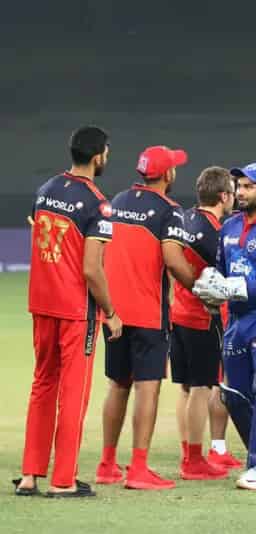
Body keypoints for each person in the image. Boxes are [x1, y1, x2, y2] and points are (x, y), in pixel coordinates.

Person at [15, 126, 121, 498]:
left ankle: (30, 475)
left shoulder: (45, 190)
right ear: (98, 156)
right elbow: (92, 269)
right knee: (74, 392)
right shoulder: (97, 203)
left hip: (41, 303)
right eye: (106, 152)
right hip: (76, 310)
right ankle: (63, 480)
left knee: (43, 384)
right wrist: (111, 310)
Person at [96, 145, 197, 490]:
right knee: (147, 386)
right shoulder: (170, 211)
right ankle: (138, 469)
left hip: (114, 311)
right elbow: (174, 260)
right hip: (149, 313)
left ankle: (106, 464)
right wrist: (199, 288)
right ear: (167, 174)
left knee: (117, 384)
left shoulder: (118, 200)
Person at [193, 161, 256, 490]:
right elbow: (220, 271)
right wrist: (210, 289)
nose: (241, 192)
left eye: (249, 186)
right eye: (239, 186)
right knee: (233, 394)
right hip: (237, 319)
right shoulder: (229, 228)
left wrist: (234, 288)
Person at [170, 167, 235, 480]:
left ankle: (188, 452)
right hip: (203, 318)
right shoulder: (216, 234)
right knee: (202, 388)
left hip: (178, 314)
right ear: (223, 196)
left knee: (185, 389)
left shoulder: (184, 219)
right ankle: (194, 461)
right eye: (232, 193)